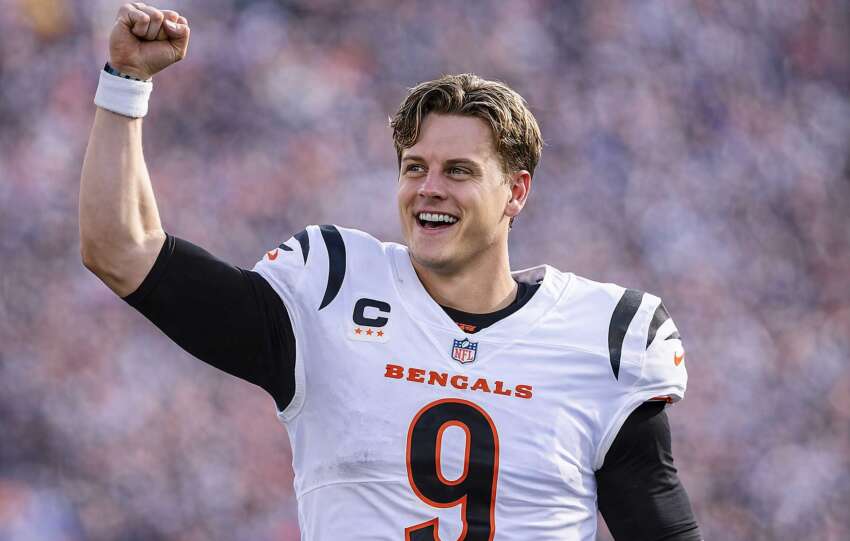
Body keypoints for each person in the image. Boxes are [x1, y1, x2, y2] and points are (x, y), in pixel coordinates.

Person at [80, 3, 702, 540]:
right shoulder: (331, 292)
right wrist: (126, 83)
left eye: (458, 171)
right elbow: (123, 250)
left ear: (516, 192)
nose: (429, 189)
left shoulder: (603, 340)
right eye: (414, 168)